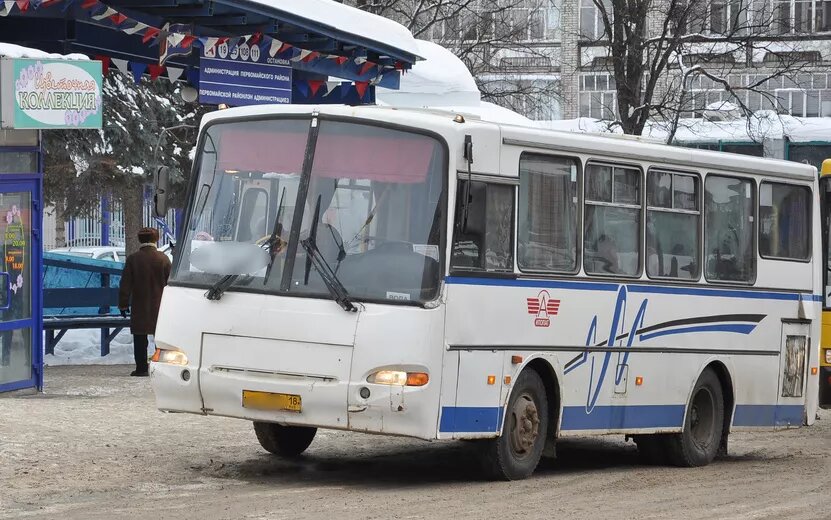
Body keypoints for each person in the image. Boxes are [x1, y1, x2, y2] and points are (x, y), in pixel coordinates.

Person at [119, 227, 172, 377]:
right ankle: (162, 367)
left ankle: (141, 368)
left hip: (140, 304)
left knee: (140, 338)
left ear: (139, 240)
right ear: (156, 240)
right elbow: (170, 282)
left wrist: (123, 304)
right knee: (160, 337)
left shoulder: (134, 259)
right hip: (160, 304)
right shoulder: (163, 259)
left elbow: (125, 284)